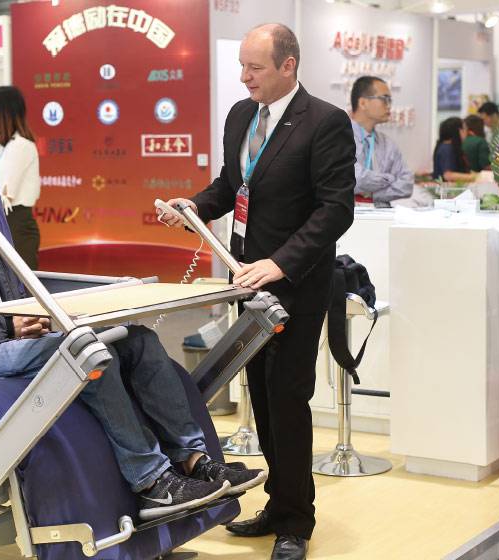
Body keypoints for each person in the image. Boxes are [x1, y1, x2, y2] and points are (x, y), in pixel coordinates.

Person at [0, 123, 266, 521]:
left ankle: (194, 459)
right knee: (87, 351)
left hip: (20, 337)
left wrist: (39, 318)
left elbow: (20, 295)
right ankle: (152, 481)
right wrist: (7, 328)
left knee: (138, 341)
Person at [161, 23, 355, 560]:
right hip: (245, 279)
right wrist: (195, 206)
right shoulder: (241, 116)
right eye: (242, 67)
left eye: (255, 67)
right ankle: (277, 502)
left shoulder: (325, 122)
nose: (244, 77)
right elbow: (232, 185)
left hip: (295, 283)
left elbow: (336, 209)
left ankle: (296, 520)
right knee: (262, 399)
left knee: (288, 398)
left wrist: (280, 262)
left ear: (288, 65)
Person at [0, 86, 41, 269]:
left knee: (21, 284)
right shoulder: (11, 146)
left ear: (3, 111)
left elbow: (5, 194)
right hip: (10, 225)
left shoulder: (20, 146)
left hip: (16, 225)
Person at [348, 76, 413, 206]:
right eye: (384, 99)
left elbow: (407, 184)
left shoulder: (388, 143)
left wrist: (372, 195)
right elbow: (353, 178)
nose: (389, 106)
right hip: (349, 214)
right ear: (363, 103)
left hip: (382, 213)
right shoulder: (340, 137)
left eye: (390, 101)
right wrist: (390, 178)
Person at [433, 117, 477, 182]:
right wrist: (475, 177)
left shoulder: (447, 147)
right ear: (459, 131)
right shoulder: (447, 149)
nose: (466, 132)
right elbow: (448, 175)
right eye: (465, 129)